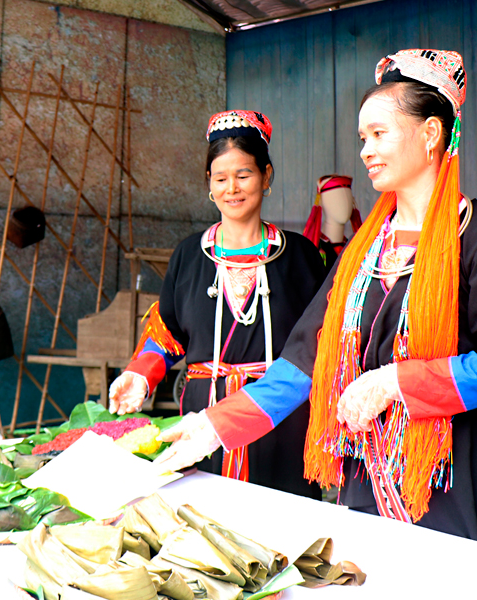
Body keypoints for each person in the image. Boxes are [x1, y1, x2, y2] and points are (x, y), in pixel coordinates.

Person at [155, 49, 477, 600]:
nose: (365, 151)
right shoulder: (362, 251)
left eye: (379, 134)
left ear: (431, 134)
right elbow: (306, 360)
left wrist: (394, 383)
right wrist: (213, 427)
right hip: (363, 473)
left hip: (445, 475)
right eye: (363, 138)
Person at [109, 110, 325, 499]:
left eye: (244, 175)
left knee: (281, 534)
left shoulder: (300, 257)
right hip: (200, 421)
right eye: (221, 178)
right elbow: (169, 331)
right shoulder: (190, 255)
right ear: (209, 182)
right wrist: (141, 373)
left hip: (278, 422)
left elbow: (318, 345)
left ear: (266, 176)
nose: (232, 188)